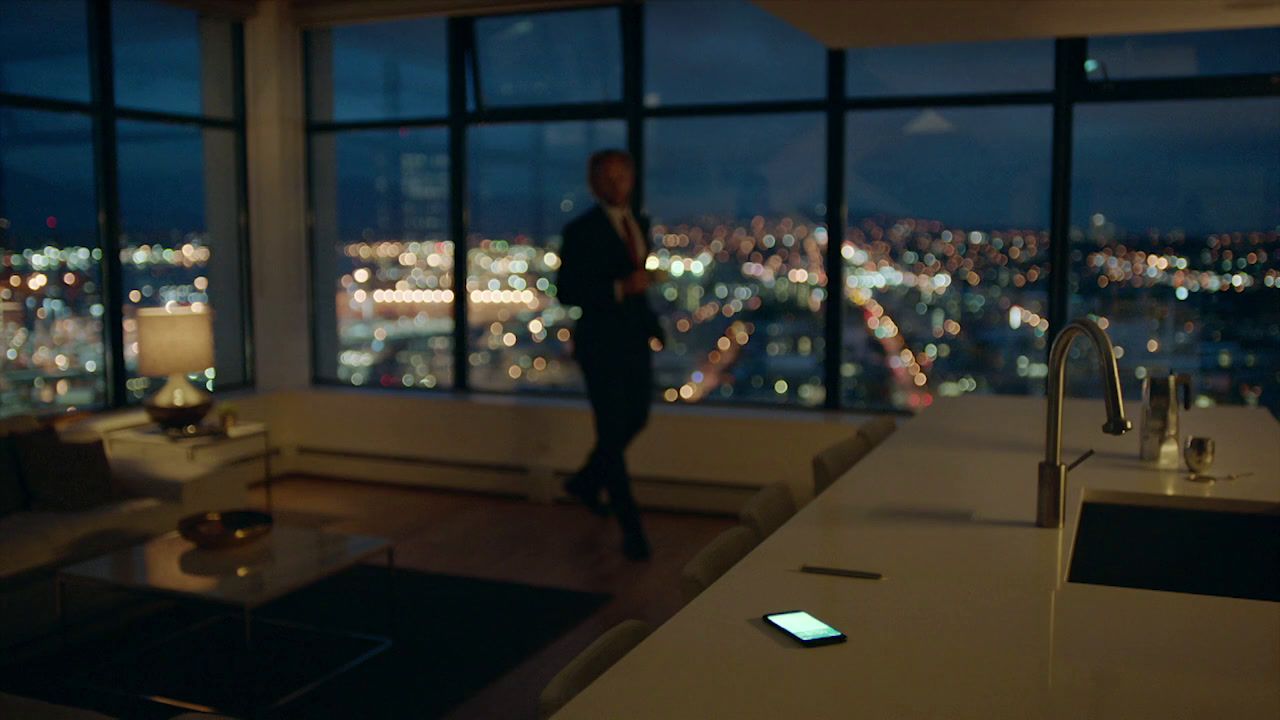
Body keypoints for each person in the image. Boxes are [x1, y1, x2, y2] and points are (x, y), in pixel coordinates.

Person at [555, 149, 664, 561]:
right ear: (594, 184)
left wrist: (652, 325)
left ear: (632, 179)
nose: (616, 185)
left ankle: (585, 480)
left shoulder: (639, 223)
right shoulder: (581, 230)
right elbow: (566, 291)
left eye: (622, 177)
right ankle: (632, 529)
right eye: (608, 178)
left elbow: (637, 285)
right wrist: (620, 288)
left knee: (635, 418)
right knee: (612, 435)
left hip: (633, 339)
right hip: (600, 343)